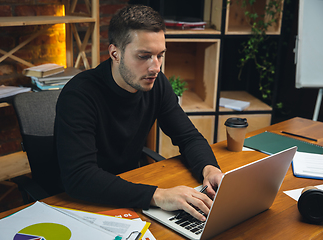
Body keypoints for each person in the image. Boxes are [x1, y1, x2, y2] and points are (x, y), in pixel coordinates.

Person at [54, 4, 223, 221]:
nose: (155, 67)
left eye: (160, 55)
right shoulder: (79, 95)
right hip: (82, 205)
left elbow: (188, 137)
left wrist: (209, 169)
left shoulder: (156, 84)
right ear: (115, 53)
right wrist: (157, 195)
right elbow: (79, 177)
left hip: (130, 194)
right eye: (144, 56)